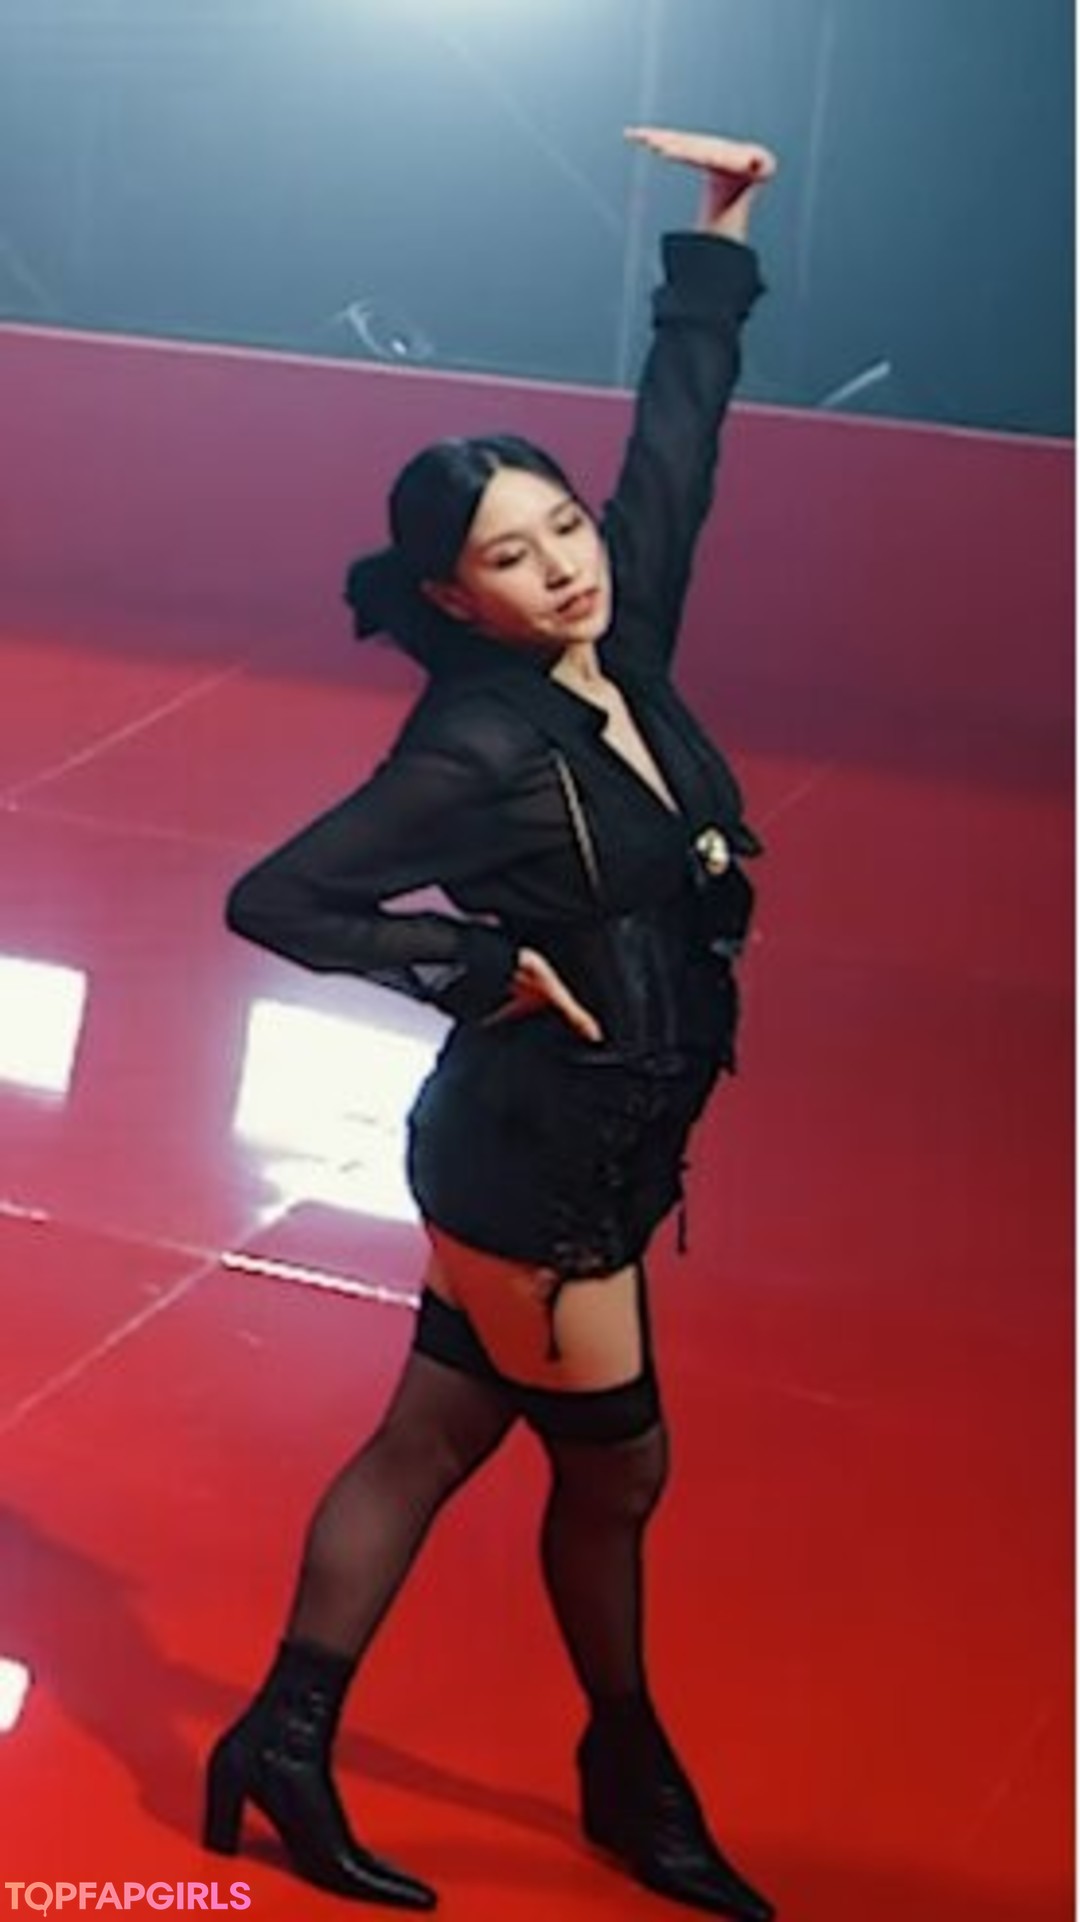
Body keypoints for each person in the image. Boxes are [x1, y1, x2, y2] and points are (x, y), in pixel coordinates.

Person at [203, 128, 778, 1921]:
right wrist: (470, 965)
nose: (563, 569)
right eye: (511, 561)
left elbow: (677, 447)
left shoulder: (629, 643)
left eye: (564, 530)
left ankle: (280, 1741)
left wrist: (717, 239)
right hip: (542, 1158)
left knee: (433, 1436)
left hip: (594, 1136)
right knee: (620, 1473)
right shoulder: (471, 740)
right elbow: (277, 897)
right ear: (456, 598)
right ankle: (631, 1773)